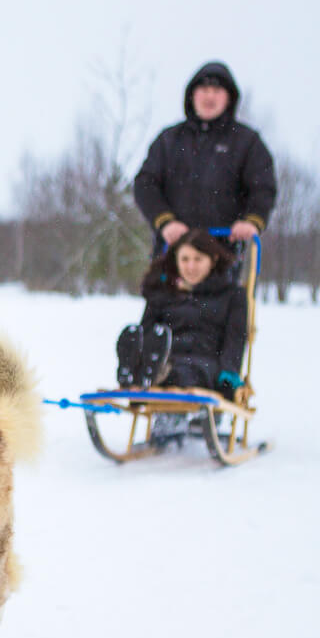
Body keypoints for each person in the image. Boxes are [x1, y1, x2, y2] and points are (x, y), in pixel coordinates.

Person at [133, 61, 276, 255]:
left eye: (217, 90)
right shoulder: (169, 139)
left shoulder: (247, 141)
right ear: (192, 95)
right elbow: (145, 183)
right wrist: (165, 222)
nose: (210, 96)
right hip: (172, 251)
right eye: (204, 89)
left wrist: (252, 221)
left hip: (223, 252)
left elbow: (263, 187)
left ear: (229, 98)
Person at [115, 231, 247, 399]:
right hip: (167, 354)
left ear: (213, 260)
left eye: (198, 259)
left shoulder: (231, 294)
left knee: (188, 371)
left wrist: (229, 373)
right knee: (154, 349)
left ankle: (154, 376)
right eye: (185, 259)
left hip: (205, 361)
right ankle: (138, 369)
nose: (190, 266)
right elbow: (147, 329)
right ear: (176, 260)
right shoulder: (164, 291)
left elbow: (235, 338)